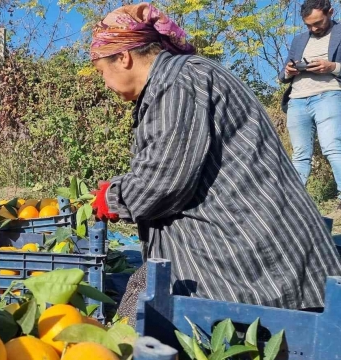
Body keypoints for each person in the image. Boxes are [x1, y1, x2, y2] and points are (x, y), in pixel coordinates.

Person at [88, 3, 341, 326]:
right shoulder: (179, 77)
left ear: (123, 58)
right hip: (239, 236)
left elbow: (165, 181)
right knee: (138, 299)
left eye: (102, 73)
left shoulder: (177, 83)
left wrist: (114, 197)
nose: (106, 84)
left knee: (147, 316)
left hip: (252, 255)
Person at [279, 0, 341, 206]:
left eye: (318, 23)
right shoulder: (299, 40)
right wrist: (288, 71)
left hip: (329, 94)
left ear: (330, 12)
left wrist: (332, 66)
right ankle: (294, 204)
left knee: (332, 147)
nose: (313, 28)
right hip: (297, 100)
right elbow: (282, 74)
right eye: (308, 25)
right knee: (300, 154)